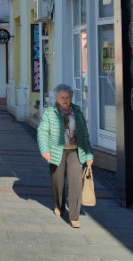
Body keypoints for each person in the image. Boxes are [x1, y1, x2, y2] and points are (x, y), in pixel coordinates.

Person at [37, 83, 93, 228]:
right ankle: (59, 205)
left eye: (67, 97)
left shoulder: (77, 112)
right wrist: (45, 150)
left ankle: (74, 216)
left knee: (76, 182)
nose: (65, 100)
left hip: (75, 151)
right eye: (62, 97)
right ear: (56, 98)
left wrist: (89, 154)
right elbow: (42, 132)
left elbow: (84, 135)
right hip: (57, 151)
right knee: (58, 181)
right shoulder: (50, 112)